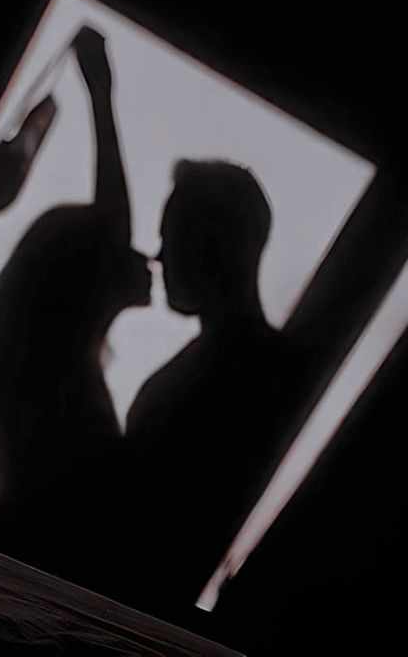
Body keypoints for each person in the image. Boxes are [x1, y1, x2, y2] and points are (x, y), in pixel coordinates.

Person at [0, 27, 152, 590]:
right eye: (123, 247)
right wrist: (99, 92)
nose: (146, 255)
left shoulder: (43, 366)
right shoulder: (64, 374)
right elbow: (113, 214)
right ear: (87, 279)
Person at [122, 159, 302, 614]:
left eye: (171, 237)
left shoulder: (247, 372)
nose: (160, 256)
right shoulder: (265, 365)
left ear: (211, 244)